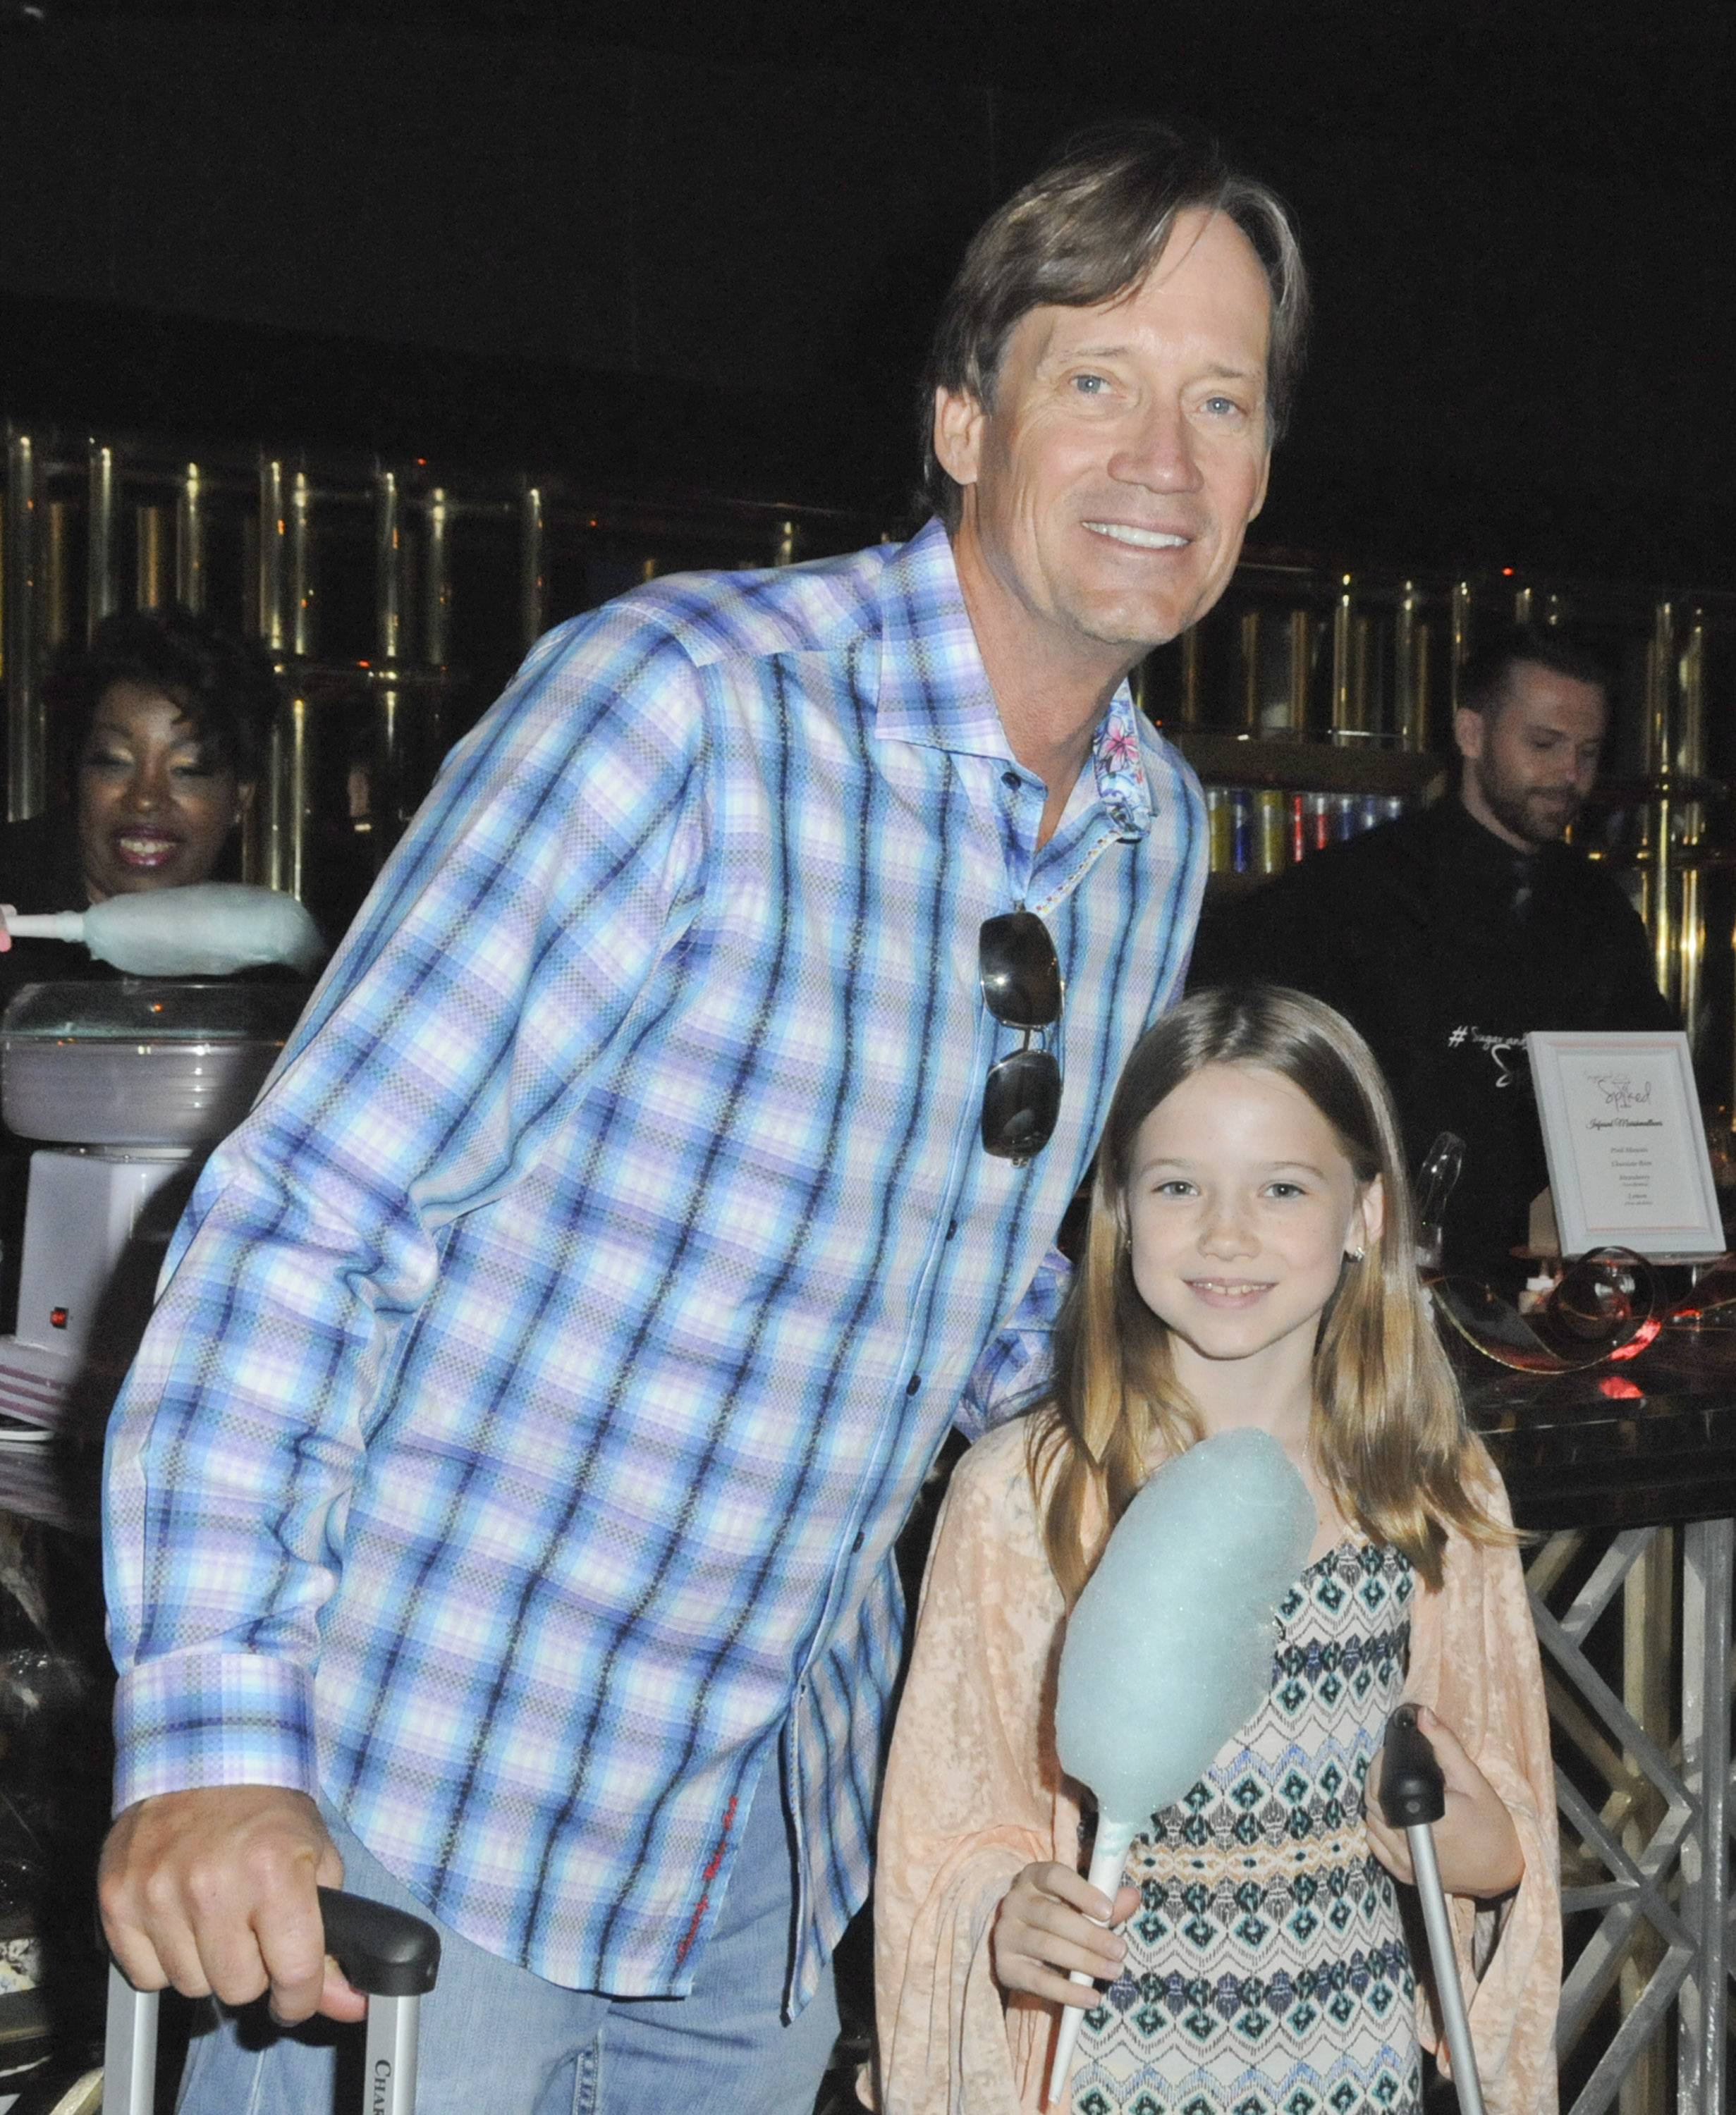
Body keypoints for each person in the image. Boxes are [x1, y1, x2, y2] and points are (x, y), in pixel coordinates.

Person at [97, 123, 1308, 2114]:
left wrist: (1229, 1390)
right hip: (416, 1819)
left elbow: (971, 1302)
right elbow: (313, 1215)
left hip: (754, 1862)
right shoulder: (682, 709)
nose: (1161, 459)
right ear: (958, 418)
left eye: (1220, 402)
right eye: (1095, 377)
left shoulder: (1150, 830)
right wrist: (215, 1740)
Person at [874, 986, 1559, 2115]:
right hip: (1107, 2067)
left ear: (1365, 1214)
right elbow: (939, 1831)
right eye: (1177, 1186)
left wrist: (1488, 1859)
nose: (1225, 1234)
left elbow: (1501, 1808)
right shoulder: (1024, 1495)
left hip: (1348, 2063)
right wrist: (1004, 1912)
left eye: (1281, 1188)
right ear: (1118, 1213)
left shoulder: (1430, 1489)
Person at [1190, 627, 1673, 1283]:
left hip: (1553, 1289)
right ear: (1471, 733)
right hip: (1378, 1278)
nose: (1569, 775)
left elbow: (1646, 1093)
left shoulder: (1601, 913)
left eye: (1587, 753)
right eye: (1543, 744)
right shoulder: (1346, 893)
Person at [0, 604, 273, 1000]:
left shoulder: (258, 966)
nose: (146, 799)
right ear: (74, 776)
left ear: (240, 798)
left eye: (188, 770)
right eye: (114, 762)